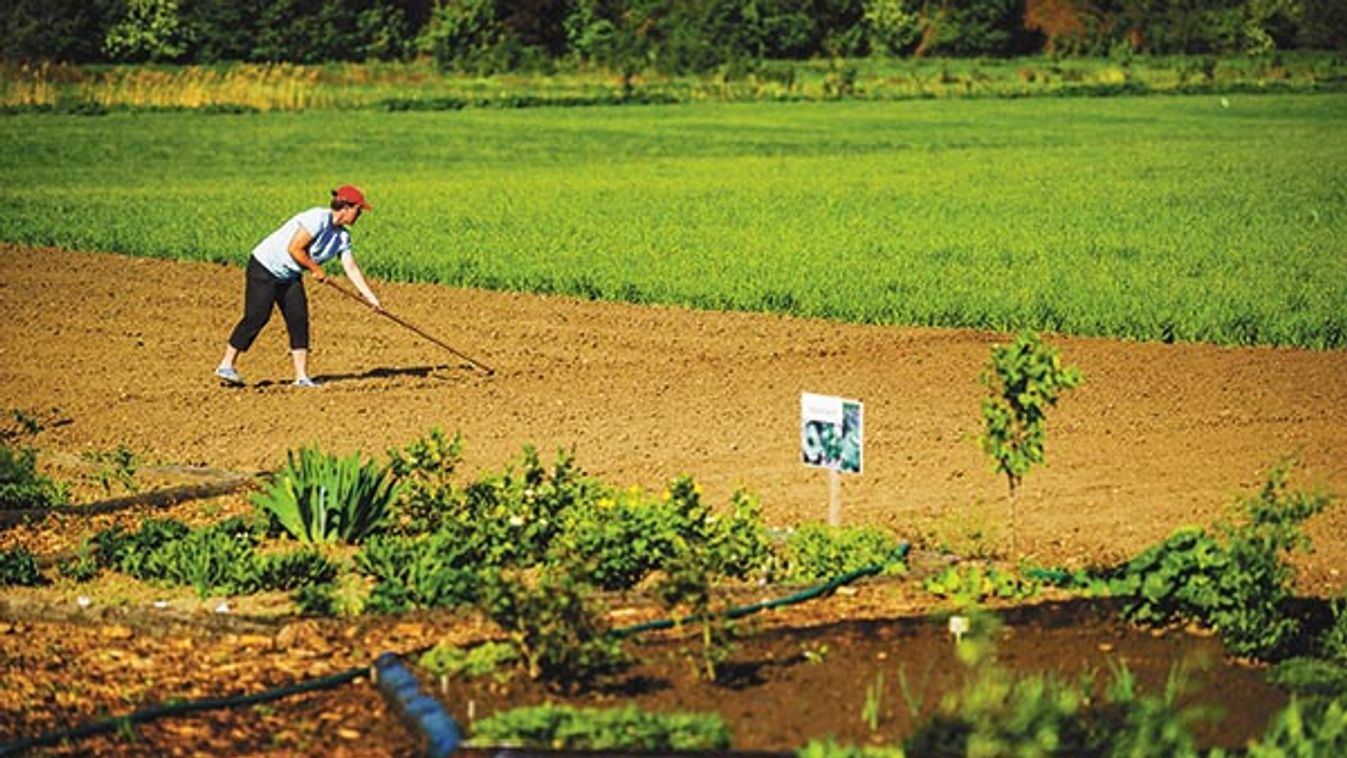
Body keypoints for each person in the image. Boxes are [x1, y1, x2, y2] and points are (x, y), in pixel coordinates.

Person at [215, 185, 382, 388]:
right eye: (358, 210)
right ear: (346, 207)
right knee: (257, 316)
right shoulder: (317, 218)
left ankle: (301, 377)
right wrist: (315, 268)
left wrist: (371, 298)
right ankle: (226, 365)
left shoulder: (343, 237)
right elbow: (295, 248)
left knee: (299, 319)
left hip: (289, 275)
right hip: (264, 267)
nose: (360, 215)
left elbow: (352, 268)